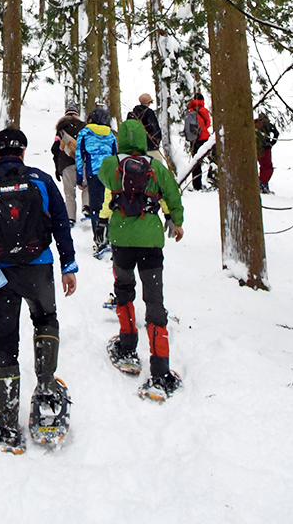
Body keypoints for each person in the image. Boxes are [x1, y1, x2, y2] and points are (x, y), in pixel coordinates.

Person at [0, 128, 78, 451]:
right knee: (45, 320)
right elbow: (59, 223)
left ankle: (7, 418)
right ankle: (46, 388)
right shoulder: (41, 180)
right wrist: (67, 265)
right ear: (23, 152)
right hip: (38, 267)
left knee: (4, 343)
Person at [98, 118, 185, 401]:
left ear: (121, 138)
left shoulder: (112, 165)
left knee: (124, 291)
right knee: (154, 299)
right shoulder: (156, 167)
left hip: (121, 239)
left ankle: (127, 345)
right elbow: (172, 193)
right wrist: (177, 220)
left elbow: (102, 178)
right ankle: (160, 368)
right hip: (150, 241)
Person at [75, 106, 118, 256]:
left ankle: (99, 240)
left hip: (93, 173)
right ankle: (112, 237)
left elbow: (80, 156)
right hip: (110, 173)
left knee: (95, 207)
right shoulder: (111, 135)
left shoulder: (85, 133)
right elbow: (115, 154)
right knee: (110, 204)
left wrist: (79, 177)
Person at [50, 108, 85, 224]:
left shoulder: (61, 129)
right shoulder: (84, 127)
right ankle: (87, 207)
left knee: (69, 193)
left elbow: (55, 149)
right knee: (86, 186)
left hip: (65, 164)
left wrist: (57, 168)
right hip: (81, 162)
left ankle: (70, 217)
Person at [126, 92, 164, 163]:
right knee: (157, 165)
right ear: (149, 102)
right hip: (150, 147)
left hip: (135, 147)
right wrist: (156, 143)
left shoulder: (132, 115)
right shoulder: (149, 113)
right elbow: (155, 130)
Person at [186, 93, 212, 191]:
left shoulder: (189, 111)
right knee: (213, 158)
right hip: (204, 138)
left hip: (193, 139)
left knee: (196, 162)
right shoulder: (203, 110)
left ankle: (196, 185)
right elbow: (208, 124)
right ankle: (211, 179)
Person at [255, 113, 279, 194]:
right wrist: (271, 143)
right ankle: (262, 184)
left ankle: (263, 185)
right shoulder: (268, 125)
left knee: (263, 167)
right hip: (265, 149)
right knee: (268, 168)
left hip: (256, 148)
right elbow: (276, 133)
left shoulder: (254, 123)